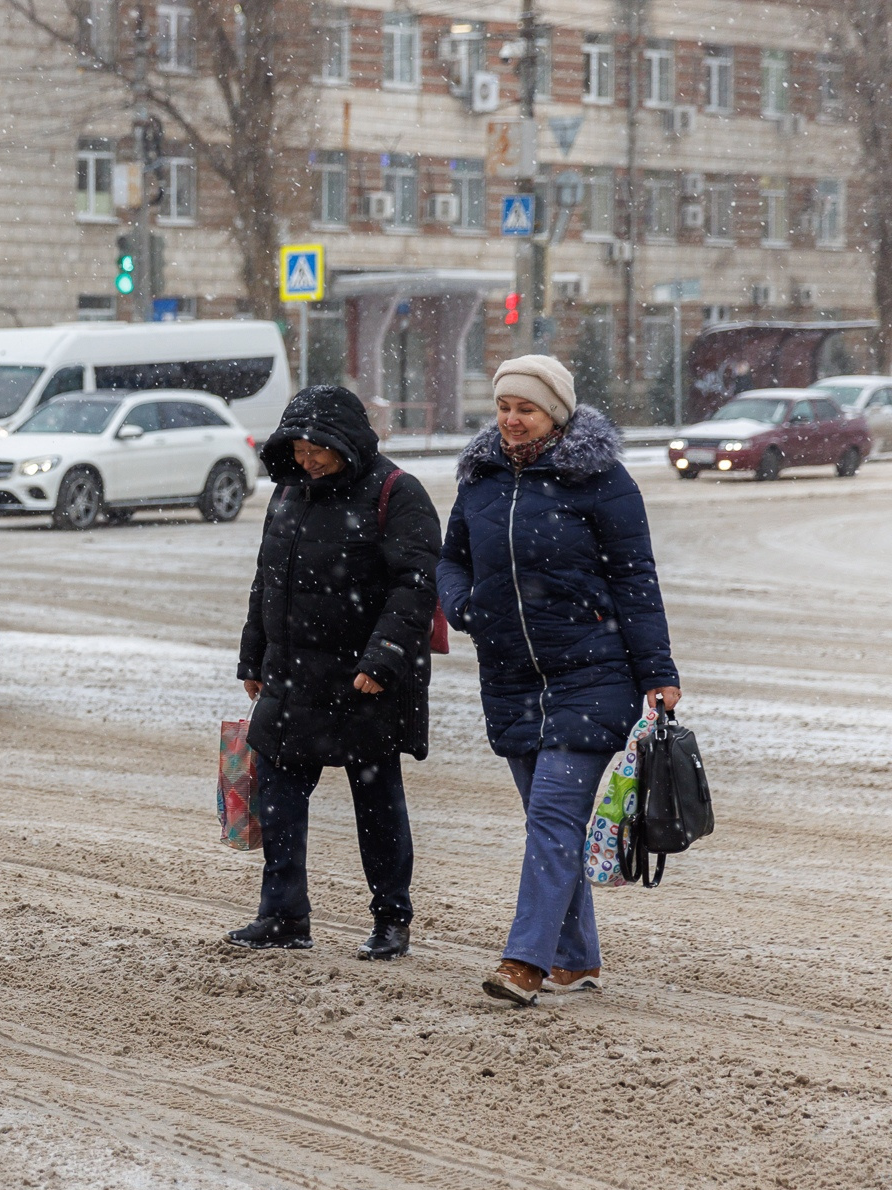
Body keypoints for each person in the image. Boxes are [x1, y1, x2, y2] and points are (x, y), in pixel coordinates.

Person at [436, 355, 681, 1007]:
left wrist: (659, 672)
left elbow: (636, 580)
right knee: (549, 822)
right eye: (504, 407)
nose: (512, 420)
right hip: (512, 677)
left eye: (527, 408)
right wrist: (462, 605)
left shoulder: (600, 480)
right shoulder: (481, 479)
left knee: (551, 812)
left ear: (557, 413)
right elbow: (451, 557)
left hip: (592, 672)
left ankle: (525, 961)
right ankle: (576, 957)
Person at [226, 385, 442, 961]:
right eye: (297, 447)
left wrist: (383, 659)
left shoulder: (398, 493)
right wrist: (254, 656)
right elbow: (266, 578)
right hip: (292, 675)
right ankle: (283, 915)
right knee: (275, 794)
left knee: (376, 804)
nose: (307, 458)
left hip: (362, 682)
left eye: (317, 447)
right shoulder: (289, 491)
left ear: (346, 440)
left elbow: (415, 586)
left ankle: (392, 920)